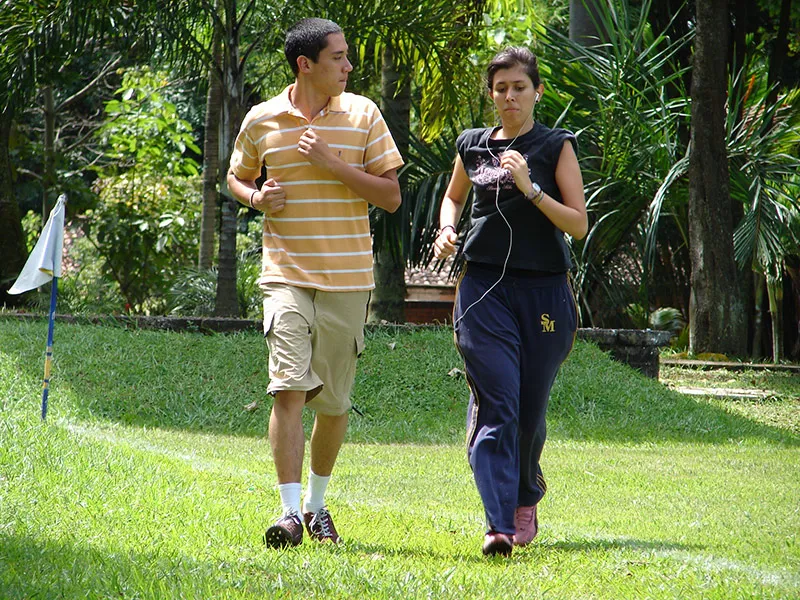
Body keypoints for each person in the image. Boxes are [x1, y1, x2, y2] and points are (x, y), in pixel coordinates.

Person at [227, 17, 404, 548]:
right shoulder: (262, 119)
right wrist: (256, 198)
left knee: (331, 405)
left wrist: (330, 162)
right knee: (287, 388)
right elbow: (236, 176)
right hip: (284, 275)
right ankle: (286, 513)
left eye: (347, 57)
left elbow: (390, 196)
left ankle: (316, 506)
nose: (348, 67)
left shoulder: (364, 115)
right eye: (338, 58)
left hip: (348, 280)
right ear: (306, 65)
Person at [433, 47, 588, 557]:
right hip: (483, 292)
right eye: (500, 88)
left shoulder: (555, 145)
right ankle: (498, 524)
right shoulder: (473, 145)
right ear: (491, 94)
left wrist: (530, 188)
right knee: (498, 402)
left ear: (536, 91)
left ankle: (526, 496)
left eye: (519, 87)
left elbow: (578, 225)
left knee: (529, 412)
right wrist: (447, 228)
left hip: (544, 292)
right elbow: (454, 196)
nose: (509, 96)